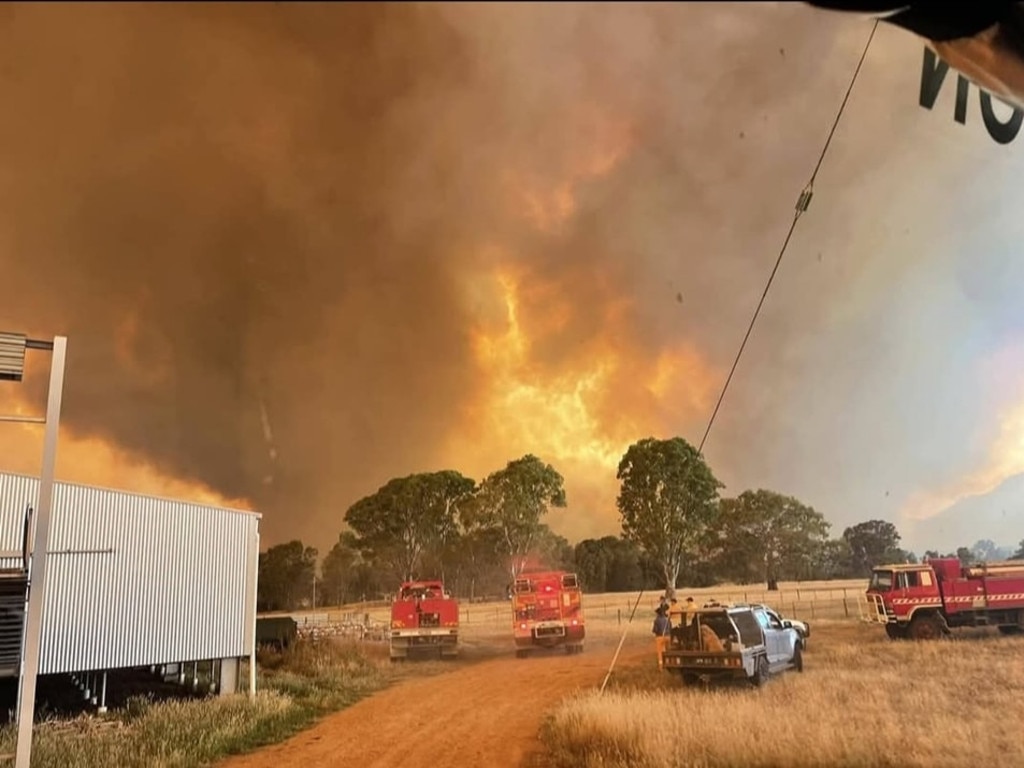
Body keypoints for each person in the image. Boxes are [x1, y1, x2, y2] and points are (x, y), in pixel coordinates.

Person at [652, 606, 671, 670]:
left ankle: (661, 666)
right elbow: (670, 628)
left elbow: (655, 630)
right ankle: (668, 663)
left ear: (658, 613)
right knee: (667, 650)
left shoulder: (656, 620)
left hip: (660, 637)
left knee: (660, 652)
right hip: (668, 636)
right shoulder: (667, 619)